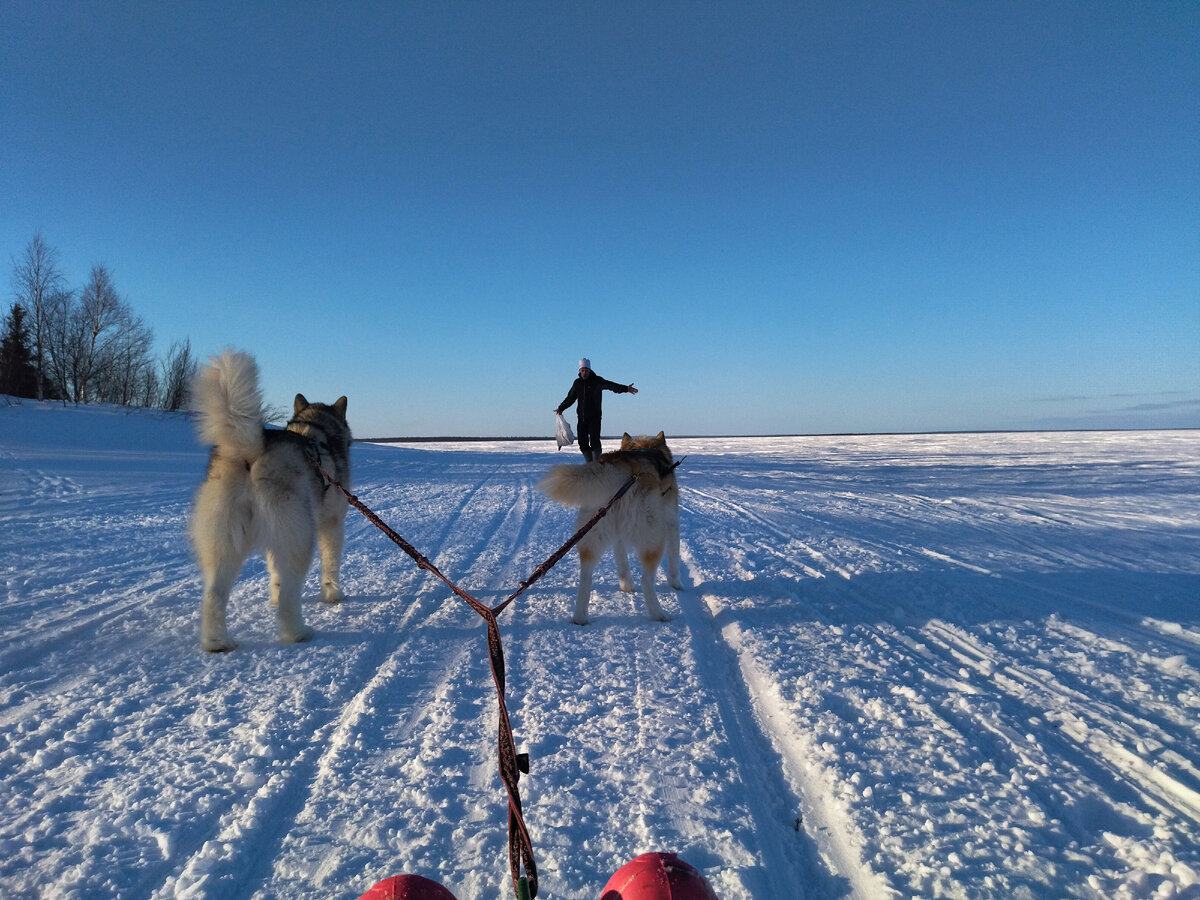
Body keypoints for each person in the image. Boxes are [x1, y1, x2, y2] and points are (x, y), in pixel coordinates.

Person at [555, 357, 638, 461]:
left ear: (590, 370)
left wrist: (626, 388)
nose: (584, 373)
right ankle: (590, 464)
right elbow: (571, 397)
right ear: (579, 370)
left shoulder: (597, 381)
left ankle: (596, 464)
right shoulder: (577, 383)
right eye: (583, 370)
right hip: (581, 418)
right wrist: (561, 408)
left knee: (595, 442)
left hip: (594, 418)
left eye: (586, 370)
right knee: (582, 442)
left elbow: (611, 386)